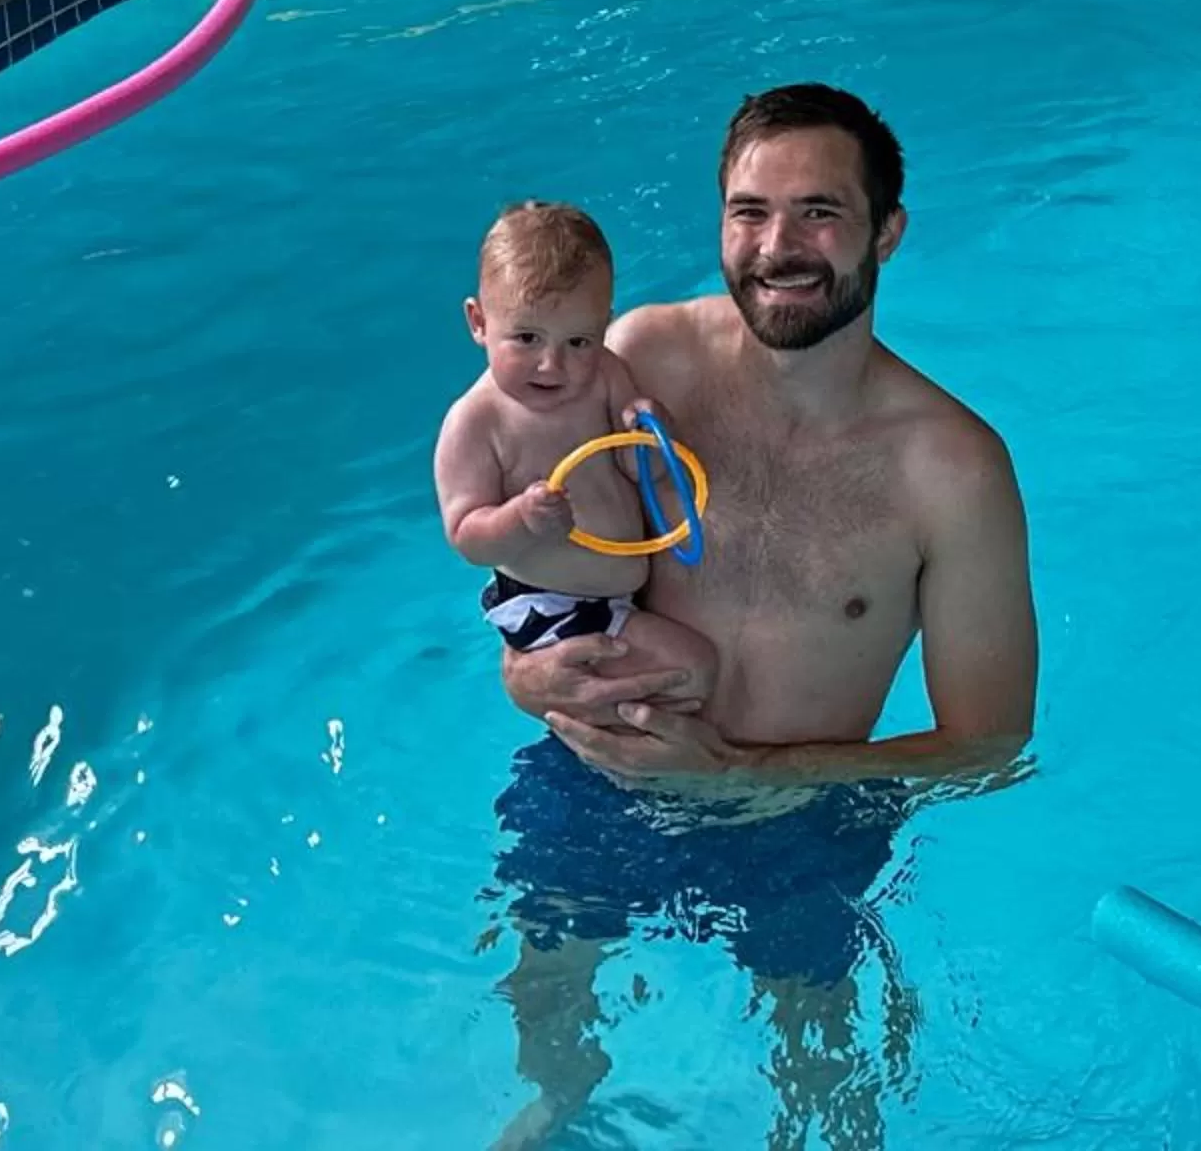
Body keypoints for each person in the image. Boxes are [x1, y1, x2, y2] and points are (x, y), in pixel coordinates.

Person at [484, 84, 1040, 1151]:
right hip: (608, 771)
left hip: (802, 819)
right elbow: (534, 562)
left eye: (820, 213)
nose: (779, 246)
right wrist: (524, 675)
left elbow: (992, 747)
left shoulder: (951, 471)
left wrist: (742, 779)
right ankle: (560, 1109)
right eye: (750, 212)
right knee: (541, 992)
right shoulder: (639, 361)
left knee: (818, 1062)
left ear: (888, 231)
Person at [434, 201, 718, 708]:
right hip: (551, 608)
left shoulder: (605, 375)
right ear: (479, 322)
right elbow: (467, 538)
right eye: (526, 338)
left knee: (698, 664)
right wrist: (521, 520)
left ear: (604, 326)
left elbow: (640, 470)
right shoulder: (476, 424)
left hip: (615, 595)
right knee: (693, 667)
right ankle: (632, 758)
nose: (552, 364)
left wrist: (655, 437)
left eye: (579, 341)